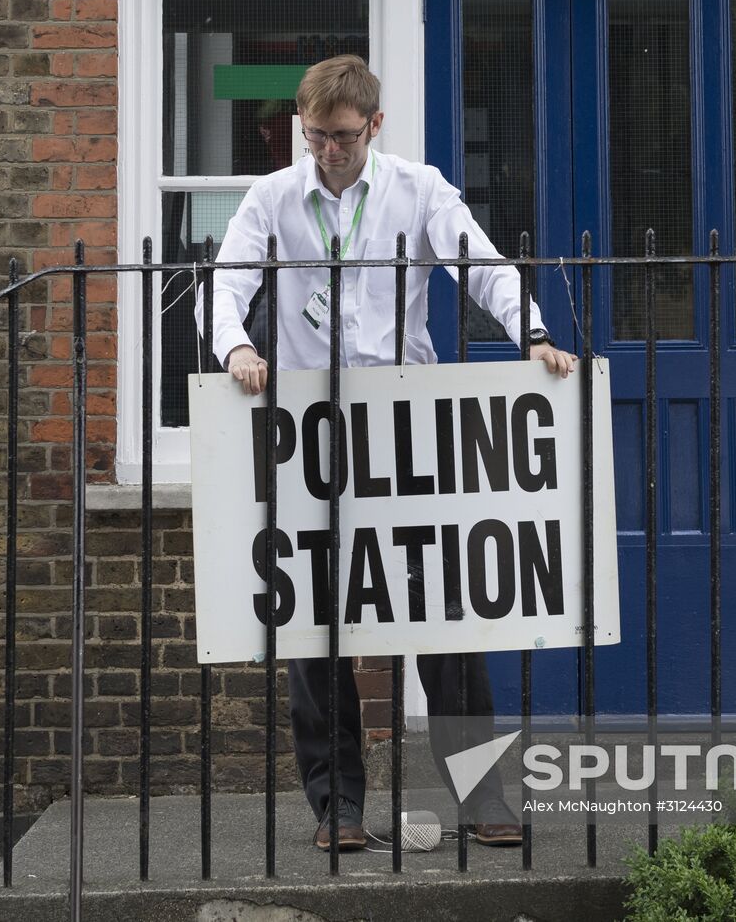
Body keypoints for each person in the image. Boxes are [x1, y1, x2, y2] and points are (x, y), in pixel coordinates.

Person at [198, 55, 578, 852]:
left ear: (373, 126)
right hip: (311, 433)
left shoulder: (419, 189)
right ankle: (336, 808)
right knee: (315, 627)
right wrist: (234, 347)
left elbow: (482, 269)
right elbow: (225, 285)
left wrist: (534, 333)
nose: (327, 153)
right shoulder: (272, 198)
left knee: (446, 618)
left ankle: (483, 797)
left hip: (412, 431)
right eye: (313, 138)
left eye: (340, 137)